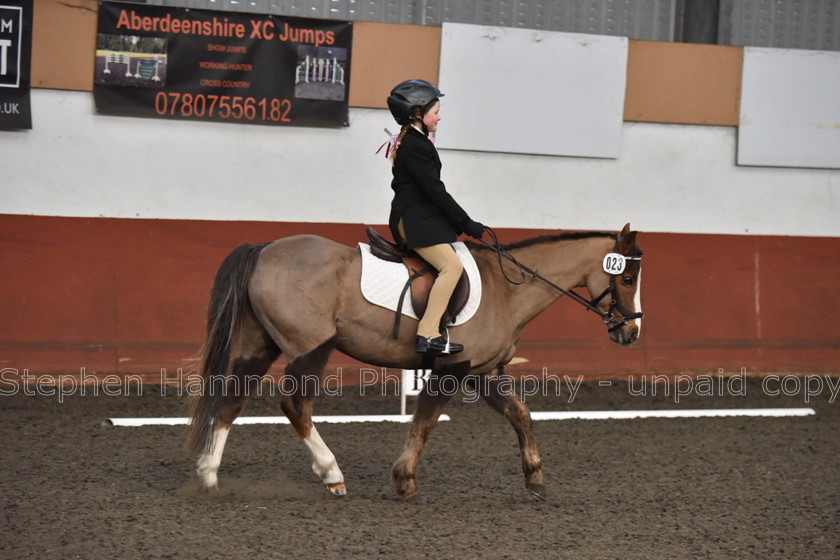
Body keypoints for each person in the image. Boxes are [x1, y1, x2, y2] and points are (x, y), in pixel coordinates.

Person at [384, 79, 485, 355]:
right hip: (413, 219)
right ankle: (428, 333)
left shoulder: (413, 139)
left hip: (419, 215)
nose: (439, 116)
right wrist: (466, 223)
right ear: (417, 113)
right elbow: (435, 191)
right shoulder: (415, 146)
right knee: (451, 267)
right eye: (435, 111)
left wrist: (458, 224)